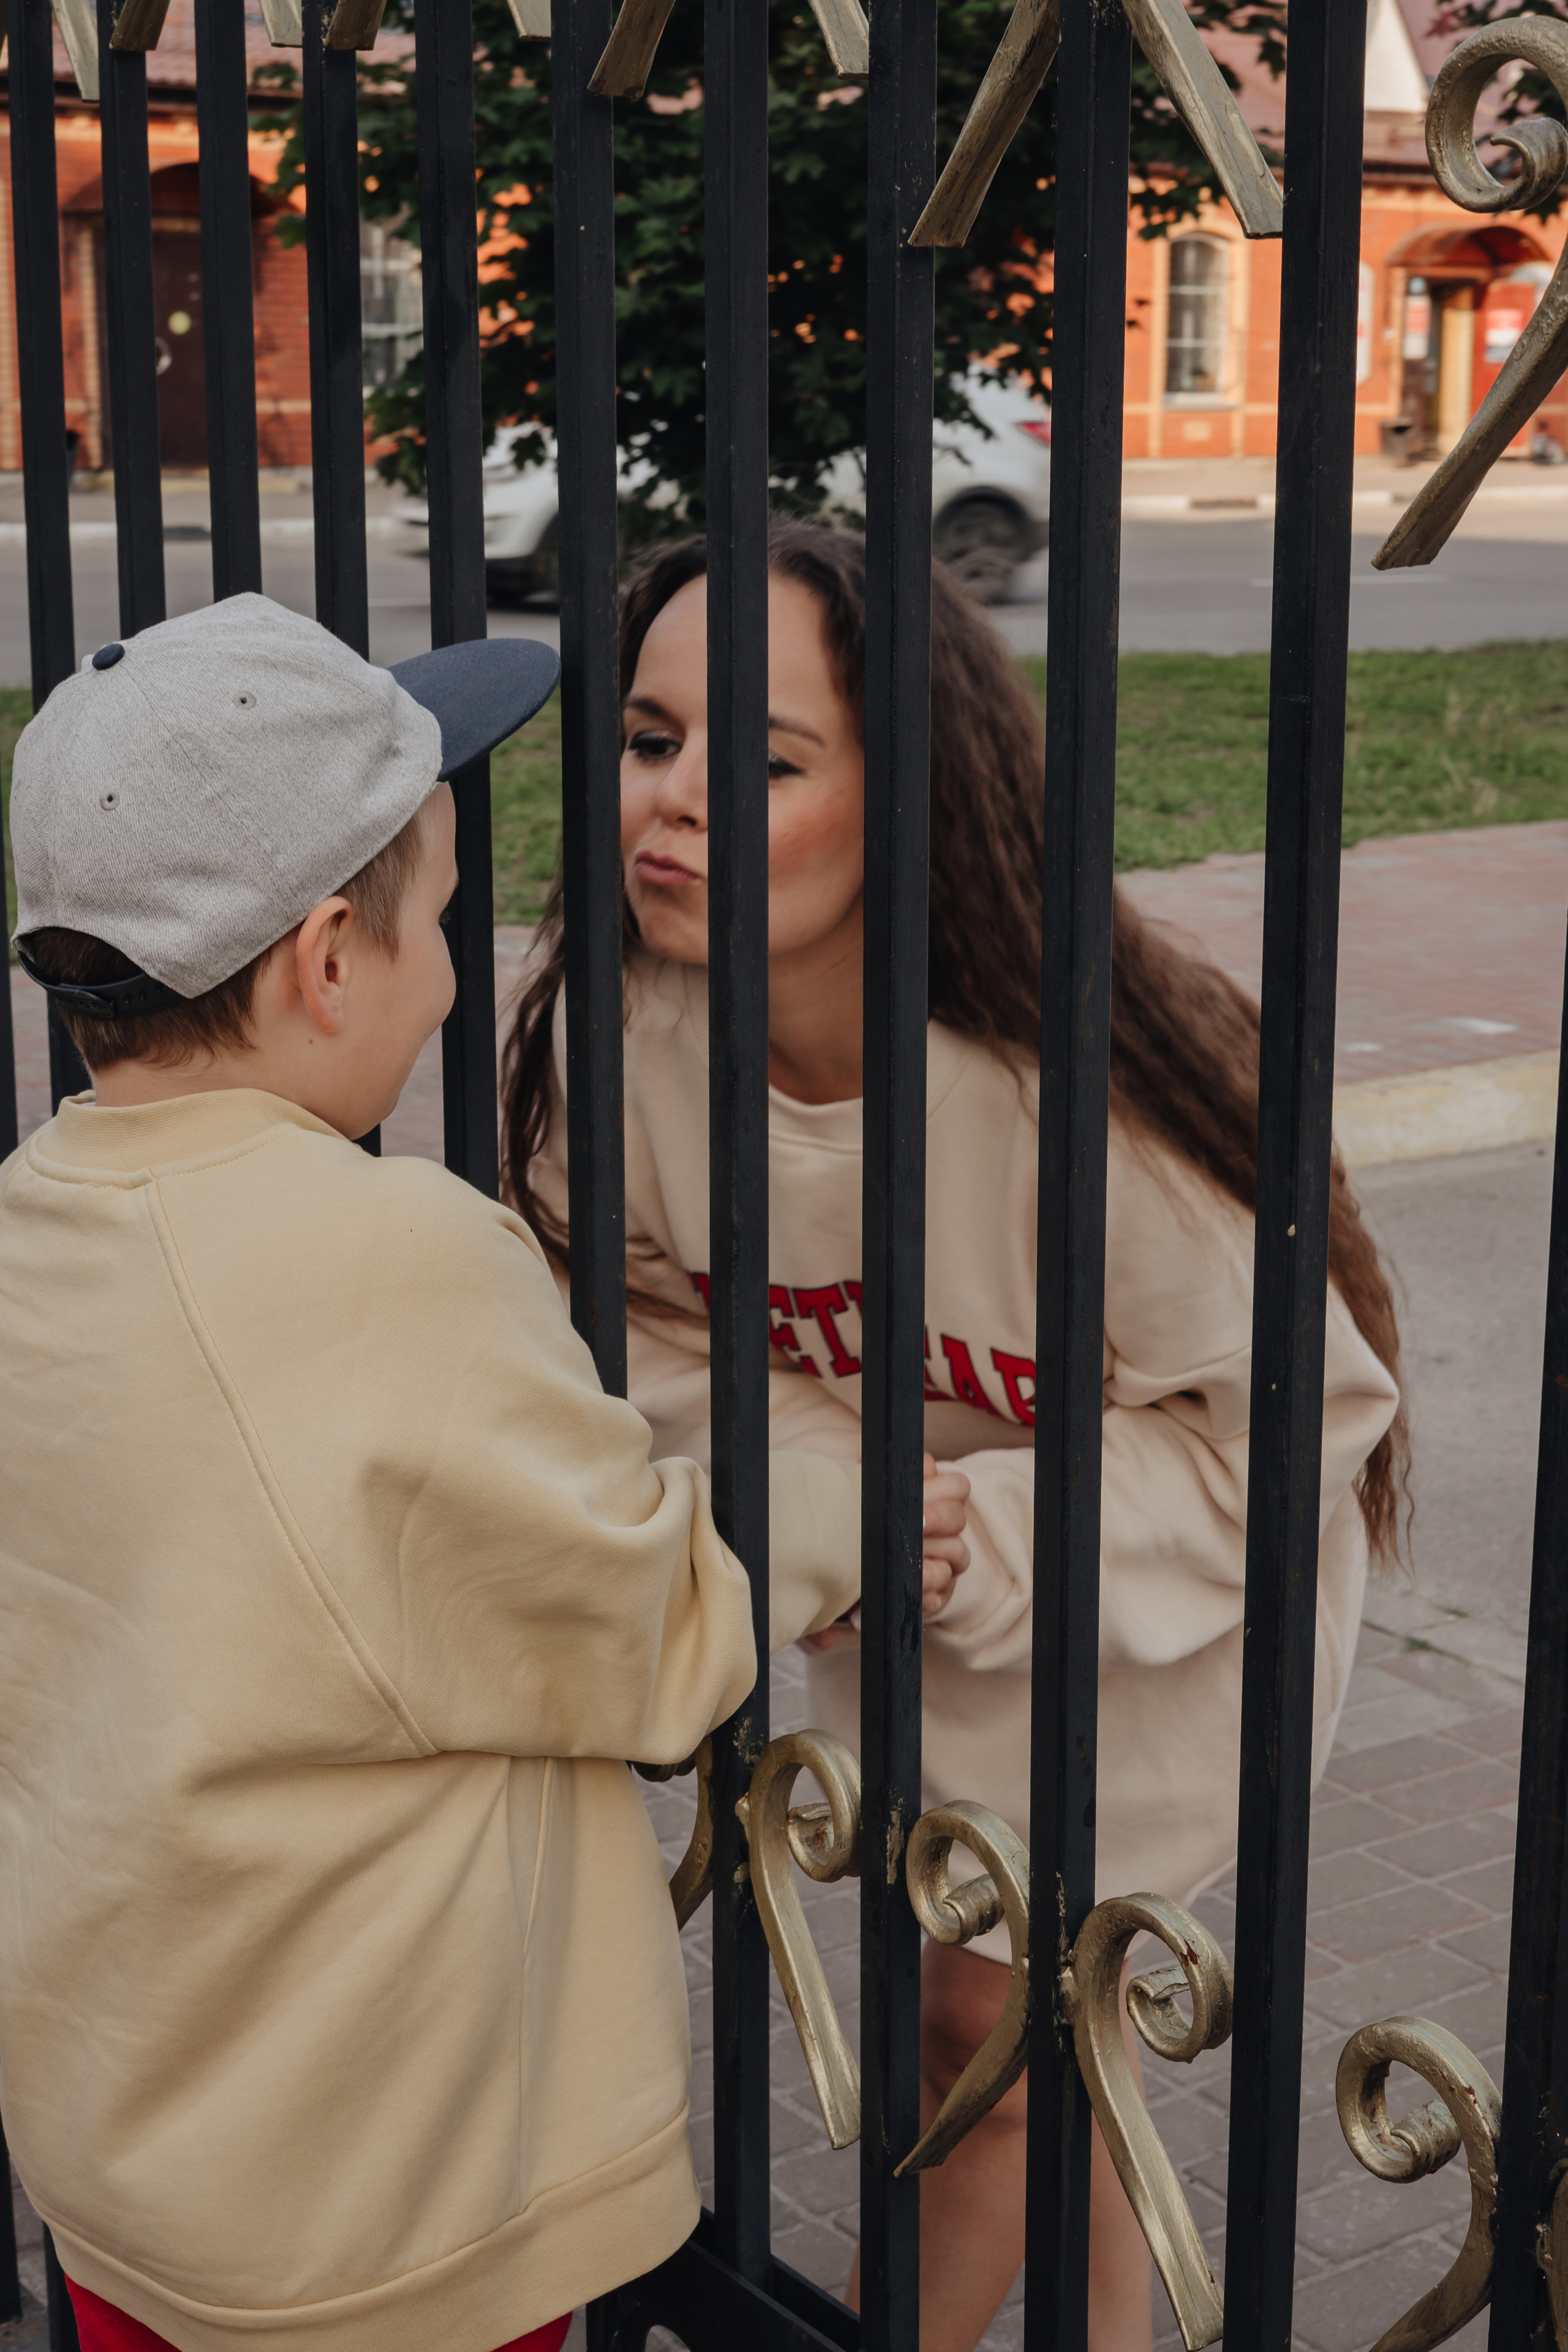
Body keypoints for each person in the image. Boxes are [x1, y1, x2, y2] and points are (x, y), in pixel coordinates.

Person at [502, 522, 1407, 2352]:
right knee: (1031, 2044)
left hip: (1156, 1617)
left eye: (754, 761)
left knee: (982, 2036)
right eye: (645, 739)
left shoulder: (1075, 1094)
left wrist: (970, 1533)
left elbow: (1283, 1436)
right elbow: (629, 1336)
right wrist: (816, 1495)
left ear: (902, 791)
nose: (666, 803)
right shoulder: (628, 1048)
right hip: (888, 1579)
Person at [0, 593, 925, 2352]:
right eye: (437, 917)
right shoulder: (387, 1259)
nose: (452, 970)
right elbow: (642, 1643)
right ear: (327, 956)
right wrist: (834, 1511)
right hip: (381, 2208)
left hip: (128, 2153)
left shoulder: (28, 1231)